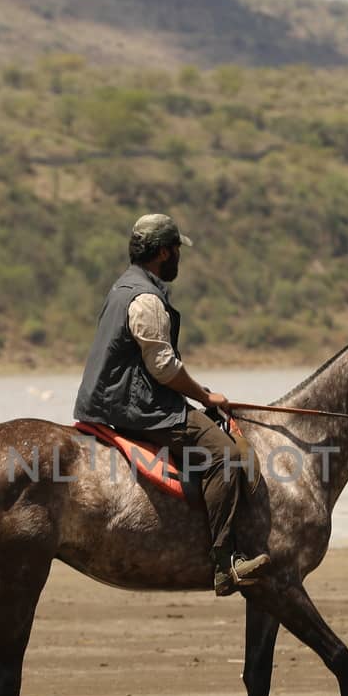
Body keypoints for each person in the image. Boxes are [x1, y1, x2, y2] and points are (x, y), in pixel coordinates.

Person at [73, 214, 270, 595]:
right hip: (135, 406)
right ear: (163, 252)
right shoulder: (146, 299)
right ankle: (225, 563)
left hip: (105, 402)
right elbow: (163, 368)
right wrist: (204, 396)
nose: (179, 255)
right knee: (225, 457)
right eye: (177, 249)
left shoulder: (121, 289)